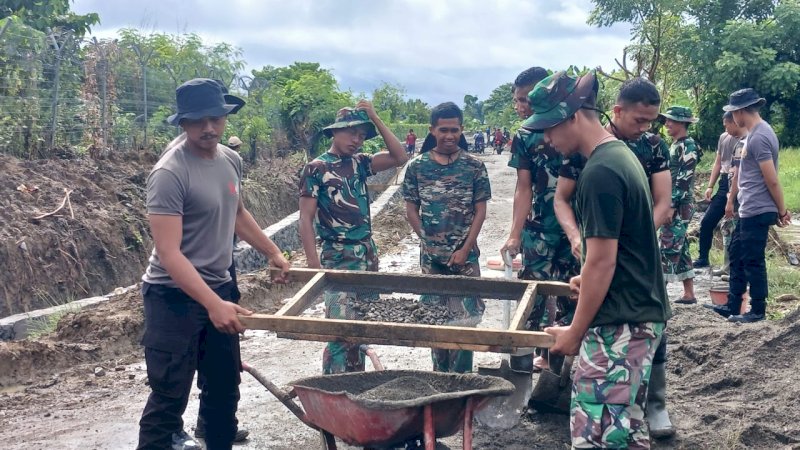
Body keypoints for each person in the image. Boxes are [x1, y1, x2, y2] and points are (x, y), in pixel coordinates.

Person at [137, 78, 291, 450]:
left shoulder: (231, 159)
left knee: (224, 387)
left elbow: (237, 212)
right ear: (182, 123)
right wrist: (212, 304)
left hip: (220, 286)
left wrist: (272, 251)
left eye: (215, 118)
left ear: (225, 116)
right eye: (196, 121)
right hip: (172, 296)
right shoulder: (170, 173)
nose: (208, 128)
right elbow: (170, 254)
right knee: (169, 395)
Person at [529, 70, 670, 450]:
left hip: (620, 325)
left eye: (548, 127)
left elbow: (602, 262)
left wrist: (575, 331)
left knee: (597, 435)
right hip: (638, 314)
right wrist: (587, 281)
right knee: (627, 430)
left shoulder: (600, 172)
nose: (546, 137)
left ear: (573, 116)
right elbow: (621, 249)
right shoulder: (618, 156)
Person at [299, 100, 407, 374]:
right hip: (337, 255)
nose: (357, 140)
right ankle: (334, 386)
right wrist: (314, 266)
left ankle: (356, 379)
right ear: (335, 132)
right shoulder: (317, 168)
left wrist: (376, 116)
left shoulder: (361, 163)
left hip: (367, 253)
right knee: (339, 329)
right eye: (351, 133)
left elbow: (400, 156)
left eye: (361, 134)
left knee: (365, 324)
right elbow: (305, 219)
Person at [501, 66, 580, 372]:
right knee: (531, 296)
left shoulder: (575, 127)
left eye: (525, 100)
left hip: (577, 228)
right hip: (540, 230)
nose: (520, 106)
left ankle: (561, 362)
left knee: (573, 294)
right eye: (518, 100)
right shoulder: (523, 136)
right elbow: (524, 187)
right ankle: (524, 362)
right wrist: (515, 234)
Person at [402, 102, 491, 373]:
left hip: (466, 257)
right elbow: (411, 209)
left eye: (454, 130)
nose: (449, 135)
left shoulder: (474, 166)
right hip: (431, 259)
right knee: (435, 319)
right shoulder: (417, 167)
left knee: (465, 320)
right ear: (432, 130)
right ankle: (440, 377)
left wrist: (464, 249)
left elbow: (480, 211)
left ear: (461, 129)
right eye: (443, 130)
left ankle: (462, 380)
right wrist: (428, 242)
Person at [711, 88, 792, 323]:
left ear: (740, 112)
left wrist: (782, 210)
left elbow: (772, 178)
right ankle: (732, 305)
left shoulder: (760, 137)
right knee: (737, 253)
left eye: (733, 113)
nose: (733, 118)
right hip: (748, 207)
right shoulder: (752, 135)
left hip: (758, 208)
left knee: (753, 260)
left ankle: (757, 310)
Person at [659, 106, 700, 304]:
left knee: (668, 245)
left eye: (671, 120)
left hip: (680, 204)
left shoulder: (688, 146)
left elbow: (684, 179)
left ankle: (658, 294)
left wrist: (671, 205)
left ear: (683, 123)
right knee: (680, 246)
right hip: (674, 202)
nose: (667, 123)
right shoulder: (676, 144)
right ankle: (689, 293)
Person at [695, 112, 744, 273]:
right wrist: (710, 185)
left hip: (739, 183)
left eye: (726, 124)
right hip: (724, 182)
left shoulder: (746, 140)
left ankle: (732, 265)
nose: (725, 128)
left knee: (733, 225)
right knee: (707, 221)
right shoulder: (724, 138)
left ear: (734, 122)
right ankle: (703, 257)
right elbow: (718, 162)